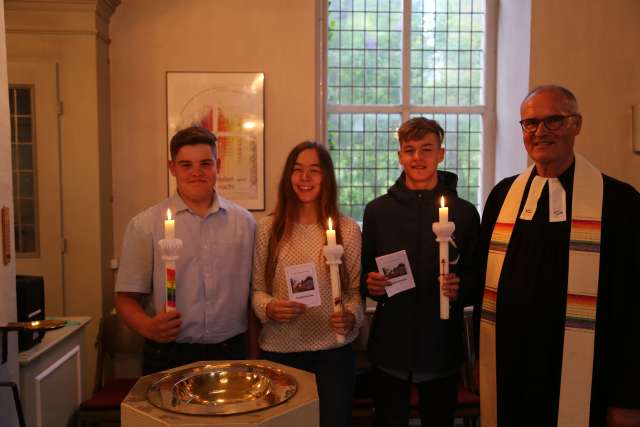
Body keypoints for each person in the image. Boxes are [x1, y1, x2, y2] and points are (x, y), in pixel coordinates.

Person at [477, 85, 640, 427]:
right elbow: (481, 283)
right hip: (511, 375)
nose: (540, 131)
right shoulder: (503, 196)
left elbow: (634, 306)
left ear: (576, 124)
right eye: (530, 123)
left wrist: (628, 397)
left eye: (554, 120)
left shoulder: (620, 202)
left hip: (586, 376)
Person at [361, 117, 480, 427]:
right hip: (391, 348)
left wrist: (461, 287)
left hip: (441, 347)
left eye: (426, 149)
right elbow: (362, 273)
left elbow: (478, 278)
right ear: (400, 156)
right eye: (409, 150)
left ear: (441, 153)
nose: (418, 158)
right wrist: (369, 283)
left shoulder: (465, 213)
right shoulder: (378, 211)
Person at [115, 126, 256, 374]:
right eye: (186, 165)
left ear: (218, 165)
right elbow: (125, 298)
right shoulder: (145, 225)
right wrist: (148, 328)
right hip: (169, 352)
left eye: (205, 163)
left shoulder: (245, 224)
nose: (196, 173)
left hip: (230, 351)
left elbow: (254, 295)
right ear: (172, 168)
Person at [251, 141, 363, 427]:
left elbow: (354, 293)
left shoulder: (346, 229)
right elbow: (257, 291)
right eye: (298, 170)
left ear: (326, 177)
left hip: (333, 355)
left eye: (314, 170)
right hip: (280, 352)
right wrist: (270, 308)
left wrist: (350, 317)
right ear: (288, 177)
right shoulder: (268, 229)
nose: (305, 178)